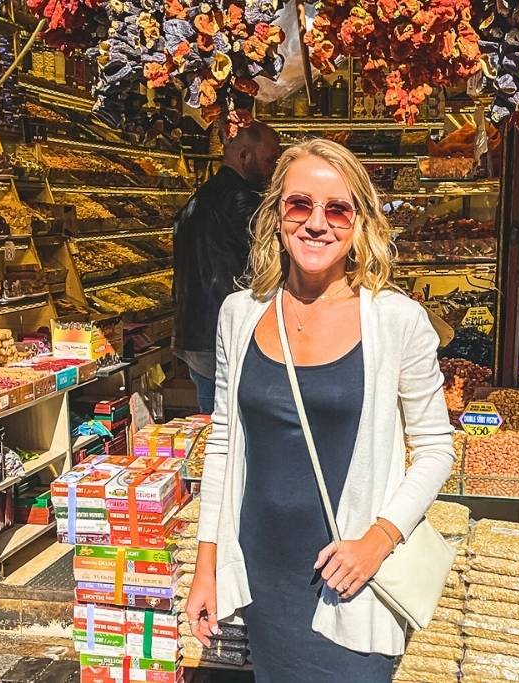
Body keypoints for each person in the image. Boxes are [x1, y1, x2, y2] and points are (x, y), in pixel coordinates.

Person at [184, 138, 455, 682]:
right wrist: (206, 566)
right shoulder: (240, 314)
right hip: (264, 570)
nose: (316, 223)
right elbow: (223, 446)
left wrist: (379, 539)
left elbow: (435, 449)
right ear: (277, 215)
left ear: (360, 222)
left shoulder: (396, 320)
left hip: (351, 575)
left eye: (337, 209)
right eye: (299, 204)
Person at [173, 120, 281, 413]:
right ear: (244, 155)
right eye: (270, 160)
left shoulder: (198, 199)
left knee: (215, 421)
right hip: (223, 334)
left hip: (194, 331)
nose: (274, 170)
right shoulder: (244, 203)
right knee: (229, 425)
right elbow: (269, 262)